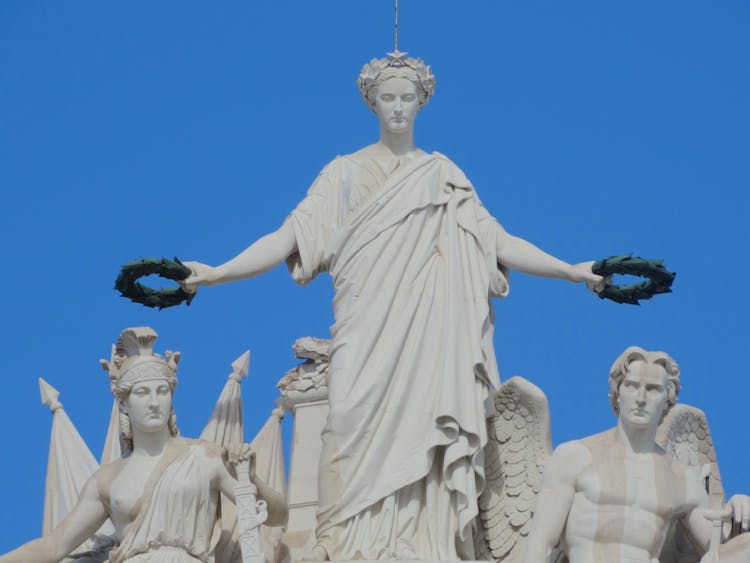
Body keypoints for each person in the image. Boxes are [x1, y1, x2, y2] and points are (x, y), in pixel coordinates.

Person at [180, 52, 602, 560]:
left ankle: (423, 542)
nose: (398, 108)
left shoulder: (442, 175)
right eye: (388, 98)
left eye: (408, 98)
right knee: (343, 424)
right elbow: (286, 237)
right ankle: (336, 543)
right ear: (372, 103)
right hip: (362, 327)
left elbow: (499, 242)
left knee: (423, 428)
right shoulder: (342, 175)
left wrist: (574, 272)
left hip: (426, 335)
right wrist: (217, 273)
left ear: (421, 103)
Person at [0, 327, 287, 563]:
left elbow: (277, 515)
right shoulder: (107, 479)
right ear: (124, 403)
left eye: (162, 391)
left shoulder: (205, 457)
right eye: (143, 392)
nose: (154, 402)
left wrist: (251, 480)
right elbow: (54, 546)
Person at [523, 346, 750, 563]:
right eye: (631, 386)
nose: (641, 398)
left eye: (652, 389)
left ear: (667, 400)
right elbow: (540, 543)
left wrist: (740, 507)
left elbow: (719, 551)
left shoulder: (681, 479)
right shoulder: (574, 457)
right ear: (617, 393)